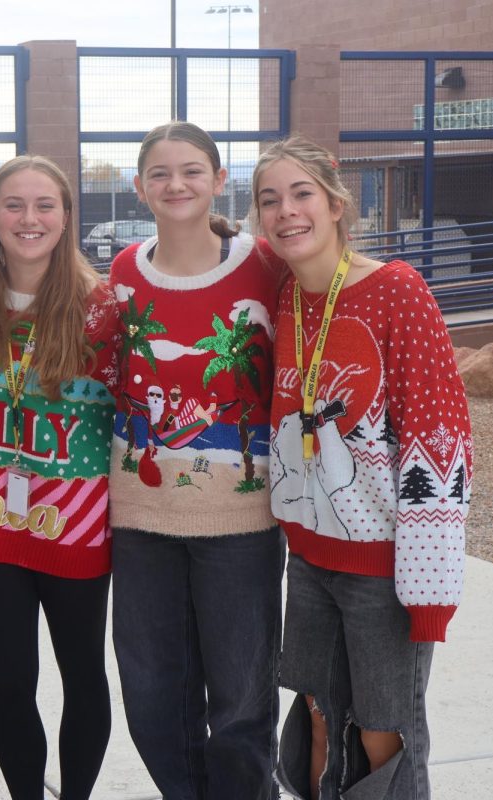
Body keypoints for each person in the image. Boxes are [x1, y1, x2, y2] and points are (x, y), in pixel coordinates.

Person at [252, 135, 471, 800]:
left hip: (381, 570)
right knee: (318, 722)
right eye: (270, 199)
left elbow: (440, 440)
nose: (287, 211)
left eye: (301, 194)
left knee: (384, 736)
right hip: (311, 561)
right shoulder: (287, 296)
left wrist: (429, 595)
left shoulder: (396, 291)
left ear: (337, 203)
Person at [0, 155, 121, 800]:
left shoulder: (102, 308)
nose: (29, 218)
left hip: (73, 513)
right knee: (10, 679)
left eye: (45, 205)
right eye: (14, 204)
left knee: (82, 674)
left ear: (67, 218)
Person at [106, 121, 287, 799]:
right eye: (159, 172)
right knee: (152, 696)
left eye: (191, 171)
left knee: (241, 704)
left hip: (241, 524)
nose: (175, 184)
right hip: (141, 518)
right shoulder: (125, 273)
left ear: (218, 180)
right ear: (139, 187)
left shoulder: (263, 265)